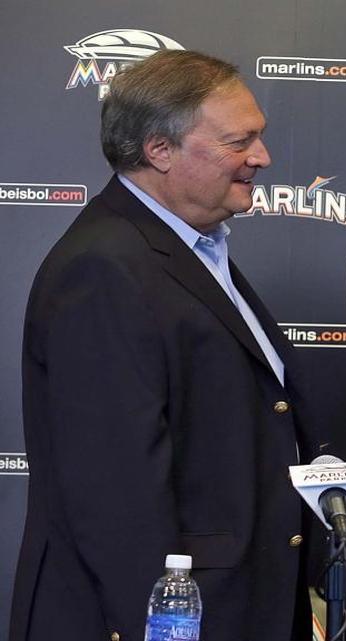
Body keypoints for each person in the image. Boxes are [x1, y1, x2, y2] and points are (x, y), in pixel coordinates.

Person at [11, 50, 323, 641]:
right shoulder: (104, 267)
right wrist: (166, 627)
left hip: (237, 607)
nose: (262, 157)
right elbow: (115, 491)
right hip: (165, 619)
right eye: (240, 141)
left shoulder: (194, 251)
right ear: (159, 150)